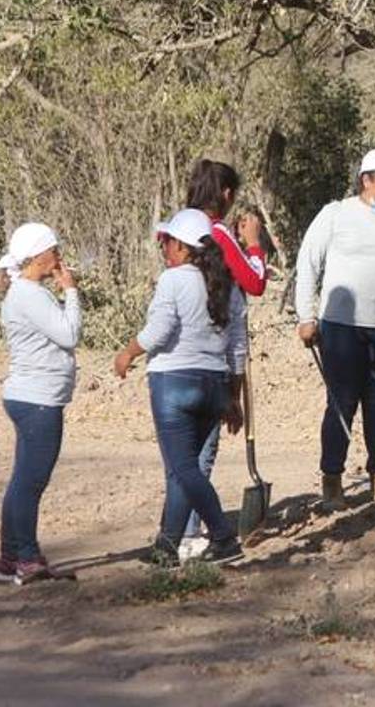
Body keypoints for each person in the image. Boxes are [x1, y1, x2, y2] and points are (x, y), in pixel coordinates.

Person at [114, 208, 248, 566]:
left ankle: (223, 536)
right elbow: (237, 345)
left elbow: (158, 333)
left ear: (184, 247)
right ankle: (167, 546)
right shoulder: (228, 286)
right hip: (215, 383)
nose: (164, 248)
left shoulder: (173, 281)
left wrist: (127, 353)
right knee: (185, 468)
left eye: (168, 241)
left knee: (183, 469)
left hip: (174, 383)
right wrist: (233, 396)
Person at [294, 148, 375, 509]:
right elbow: (308, 264)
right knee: (341, 403)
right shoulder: (336, 214)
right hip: (341, 327)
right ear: (367, 180)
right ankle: (332, 481)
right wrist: (305, 316)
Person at [177, 158, 266, 559]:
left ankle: (177, 528)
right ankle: (188, 531)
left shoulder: (176, 229)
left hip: (180, 352)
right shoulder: (216, 233)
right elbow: (254, 281)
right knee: (201, 451)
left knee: (182, 450)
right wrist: (253, 242)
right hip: (215, 352)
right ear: (227, 195)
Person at [0, 223, 82, 585]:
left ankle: (10, 555)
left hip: (27, 395)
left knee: (21, 480)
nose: (58, 257)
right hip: (38, 400)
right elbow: (69, 333)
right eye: (54, 251)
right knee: (31, 481)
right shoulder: (30, 294)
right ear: (37, 256)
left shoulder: (24, 293)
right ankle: (27, 558)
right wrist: (72, 293)